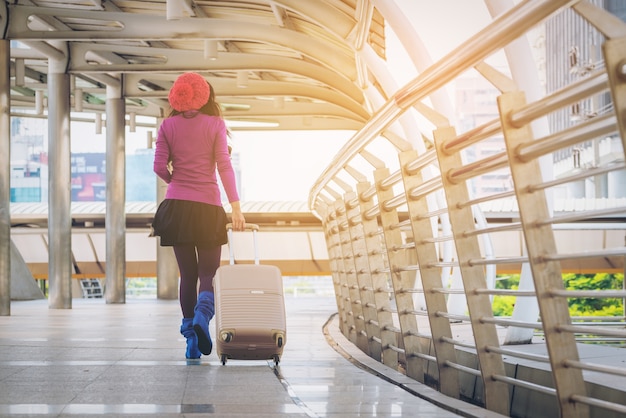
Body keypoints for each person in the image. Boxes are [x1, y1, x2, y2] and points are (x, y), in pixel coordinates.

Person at [151, 72, 245, 359]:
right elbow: (224, 167)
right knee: (208, 273)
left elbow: (158, 166)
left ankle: (191, 339)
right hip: (208, 207)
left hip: (177, 207)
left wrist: (176, 183)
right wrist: (236, 207)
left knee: (187, 275)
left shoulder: (167, 125)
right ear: (206, 98)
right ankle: (203, 317)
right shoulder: (215, 124)